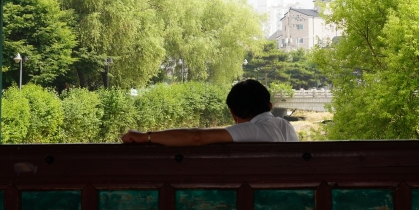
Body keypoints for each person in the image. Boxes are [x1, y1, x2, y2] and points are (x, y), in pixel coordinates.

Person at [121, 79, 298, 145]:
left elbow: (197, 137)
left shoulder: (253, 131)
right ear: (270, 106)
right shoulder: (286, 126)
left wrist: (145, 137)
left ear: (234, 114)